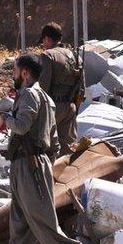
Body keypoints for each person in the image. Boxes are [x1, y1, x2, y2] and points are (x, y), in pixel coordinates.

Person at [0, 53, 91, 244]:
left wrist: (6, 119)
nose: (12, 75)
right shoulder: (46, 98)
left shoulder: (29, 94)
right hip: (31, 164)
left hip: (29, 165)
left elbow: (22, 126)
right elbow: (54, 142)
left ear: (24, 73)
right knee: (21, 222)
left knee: (42, 221)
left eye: (15, 70)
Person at [38, 22, 84, 156]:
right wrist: (75, 107)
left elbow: (43, 87)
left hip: (52, 107)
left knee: (46, 147)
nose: (43, 44)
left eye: (43, 41)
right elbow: (82, 88)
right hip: (70, 106)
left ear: (47, 38)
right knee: (68, 149)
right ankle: (67, 175)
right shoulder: (76, 57)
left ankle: (49, 175)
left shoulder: (48, 55)